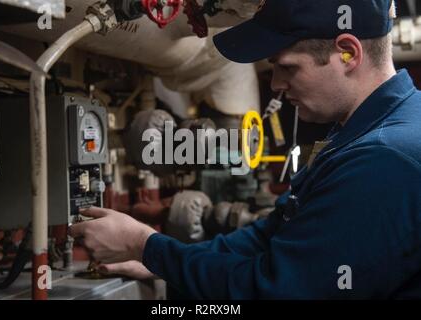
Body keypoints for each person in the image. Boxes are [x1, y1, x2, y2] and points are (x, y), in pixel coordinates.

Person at [69, 0, 421, 299]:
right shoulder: (372, 130)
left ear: (348, 53)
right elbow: (271, 235)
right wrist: (161, 261)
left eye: (286, 68)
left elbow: (271, 291)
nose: (277, 86)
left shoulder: (384, 159)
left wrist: (144, 244)